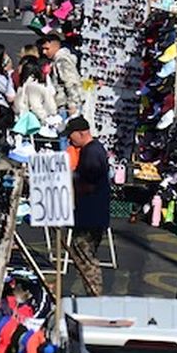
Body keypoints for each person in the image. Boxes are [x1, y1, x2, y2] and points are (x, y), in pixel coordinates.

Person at [64, 116, 111, 297]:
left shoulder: (90, 152)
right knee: (83, 253)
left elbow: (89, 185)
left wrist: (70, 181)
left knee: (84, 254)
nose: (69, 140)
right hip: (93, 213)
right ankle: (93, 294)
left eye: (71, 135)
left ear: (82, 133)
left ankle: (95, 295)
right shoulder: (93, 150)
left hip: (91, 214)